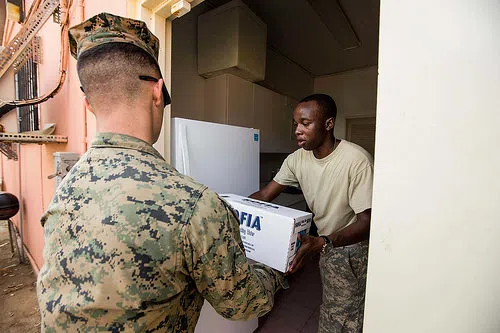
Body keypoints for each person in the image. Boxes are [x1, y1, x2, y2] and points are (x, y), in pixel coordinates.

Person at [36, 12, 285, 332]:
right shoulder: (193, 204)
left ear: (89, 105)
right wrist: (279, 269)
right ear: (157, 92)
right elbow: (243, 305)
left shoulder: (67, 185)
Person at [251, 94, 373, 333]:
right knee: (332, 307)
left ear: (328, 124)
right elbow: (265, 196)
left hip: (352, 249)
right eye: (296, 123)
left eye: (305, 124)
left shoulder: (357, 160)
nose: (298, 130)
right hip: (326, 243)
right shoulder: (297, 159)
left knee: (347, 318)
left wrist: (324, 241)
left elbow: (367, 222)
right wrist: (228, 207)